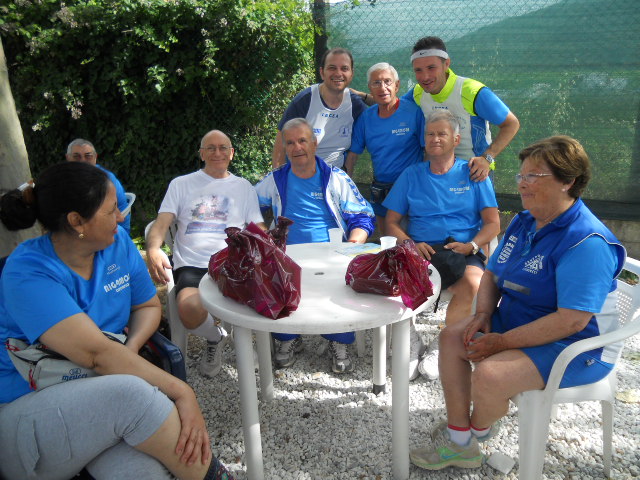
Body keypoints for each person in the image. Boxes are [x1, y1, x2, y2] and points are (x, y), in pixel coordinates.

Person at [0, 162, 234, 480]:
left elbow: (146, 305)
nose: (121, 218)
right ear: (76, 221)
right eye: (112, 210)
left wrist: (131, 348)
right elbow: (97, 355)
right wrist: (183, 392)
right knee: (131, 394)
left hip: (99, 398)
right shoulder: (28, 271)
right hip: (26, 412)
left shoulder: (117, 244)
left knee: (145, 472)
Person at [409, 135, 626, 471]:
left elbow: (572, 321)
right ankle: (462, 442)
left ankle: (478, 429)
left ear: (568, 181)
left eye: (534, 176)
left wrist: (502, 342)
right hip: (523, 321)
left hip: (577, 346)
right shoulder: (526, 221)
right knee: (452, 337)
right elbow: (492, 274)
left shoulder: (586, 242)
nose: (522, 184)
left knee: (490, 375)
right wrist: (483, 313)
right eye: (521, 175)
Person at [383, 111, 500, 380]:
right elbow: (391, 222)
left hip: (462, 249)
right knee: (394, 279)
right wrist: (409, 244)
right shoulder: (411, 174)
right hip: (420, 249)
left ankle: (442, 344)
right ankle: (410, 340)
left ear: (456, 139)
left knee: (474, 284)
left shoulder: (473, 174)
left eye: (441, 134)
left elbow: (493, 224)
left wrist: (472, 245)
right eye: (430, 134)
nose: (435, 139)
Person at [256, 118, 375, 373]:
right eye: (290, 143)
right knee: (276, 281)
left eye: (302, 140)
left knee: (337, 292)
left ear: (314, 143)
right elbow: (250, 207)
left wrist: (351, 246)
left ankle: (339, 340)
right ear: (285, 148)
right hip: (287, 254)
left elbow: (362, 216)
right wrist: (265, 236)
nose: (297, 147)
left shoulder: (335, 177)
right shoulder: (275, 179)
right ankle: (288, 338)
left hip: (331, 253)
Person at [146, 130, 265, 379]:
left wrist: (270, 249)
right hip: (192, 264)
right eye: (210, 148)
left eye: (223, 148)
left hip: (233, 263)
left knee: (255, 299)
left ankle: (244, 341)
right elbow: (161, 222)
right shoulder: (181, 184)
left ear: (232, 154)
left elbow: (258, 227)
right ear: (201, 154)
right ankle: (216, 336)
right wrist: (153, 248)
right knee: (189, 309)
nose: (217, 153)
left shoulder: (243, 187)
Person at [403, 36, 520, 182]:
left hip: (474, 172)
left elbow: (512, 124)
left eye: (431, 68)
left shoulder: (471, 91)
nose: (425, 77)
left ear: (446, 64)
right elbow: (393, 107)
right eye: (418, 70)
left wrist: (487, 158)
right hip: (437, 170)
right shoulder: (418, 92)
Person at [346, 62, 425, 235]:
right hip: (381, 192)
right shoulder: (366, 118)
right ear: (369, 87)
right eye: (376, 83)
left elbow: (428, 151)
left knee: (414, 243)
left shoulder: (414, 112)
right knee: (388, 243)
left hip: (411, 191)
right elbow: (352, 155)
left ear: (397, 85)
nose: (383, 88)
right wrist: (345, 189)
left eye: (387, 81)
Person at [272, 47, 368, 170]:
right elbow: (280, 146)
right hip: (301, 173)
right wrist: (279, 178)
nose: (338, 73)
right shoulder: (305, 100)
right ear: (322, 72)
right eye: (332, 68)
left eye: (344, 68)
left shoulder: (355, 105)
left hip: (335, 175)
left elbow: (383, 108)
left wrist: (366, 96)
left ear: (351, 74)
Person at [66, 138, 131, 233]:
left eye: (88, 156)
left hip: (114, 229)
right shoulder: (63, 179)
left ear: (95, 157)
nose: (83, 161)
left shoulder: (105, 179)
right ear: (68, 158)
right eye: (76, 156)